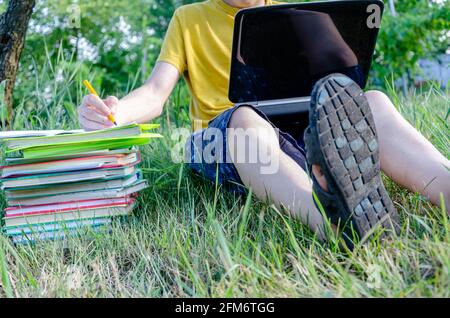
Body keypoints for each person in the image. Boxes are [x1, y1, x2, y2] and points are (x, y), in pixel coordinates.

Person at [78, 0, 450, 244]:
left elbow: (345, 74)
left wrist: (313, 29)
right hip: (227, 138)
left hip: (298, 129)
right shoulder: (188, 19)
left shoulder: (294, 10)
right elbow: (155, 93)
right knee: (244, 117)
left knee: (372, 102)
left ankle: (444, 185)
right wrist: (116, 113)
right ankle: (333, 221)